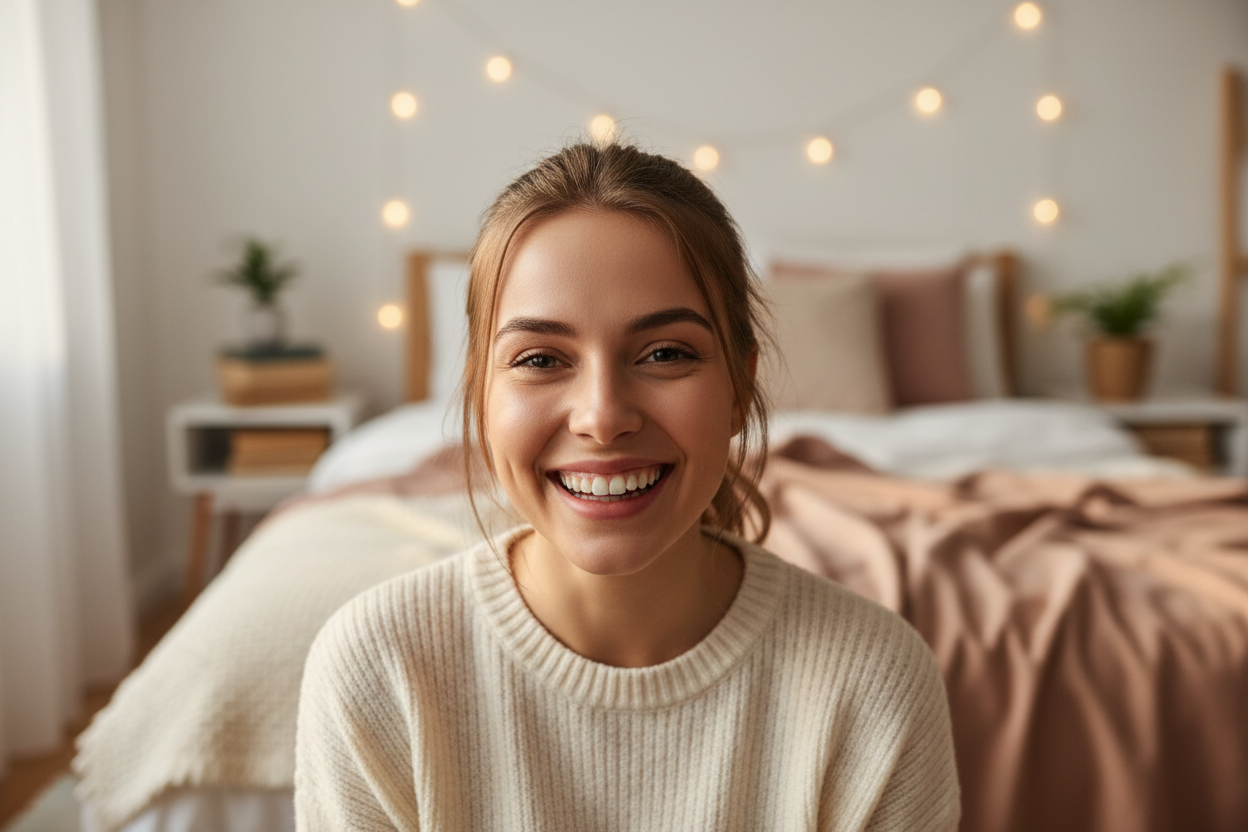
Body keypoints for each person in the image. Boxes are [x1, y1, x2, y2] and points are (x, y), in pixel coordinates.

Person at [294, 142, 959, 831]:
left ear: (739, 385)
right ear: (479, 396)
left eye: (666, 353)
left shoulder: (873, 681)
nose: (603, 417)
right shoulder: (377, 670)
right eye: (542, 358)